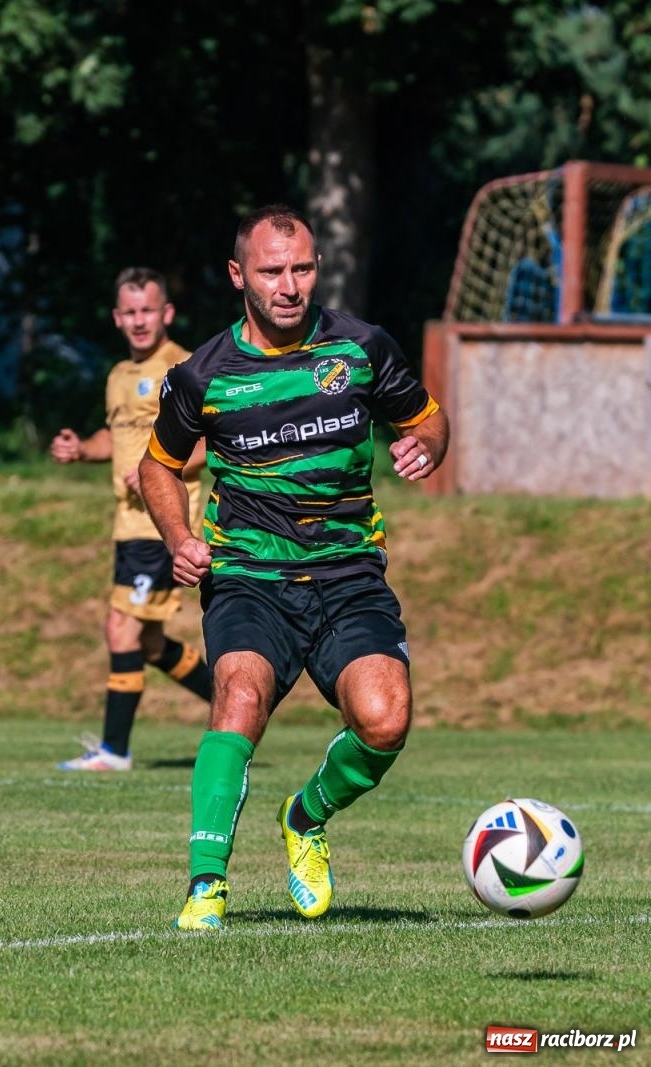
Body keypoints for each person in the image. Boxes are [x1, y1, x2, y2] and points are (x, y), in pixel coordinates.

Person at [137, 205, 448, 931]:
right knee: (239, 696)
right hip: (250, 574)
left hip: (348, 574)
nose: (289, 285)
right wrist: (179, 534)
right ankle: (206, 886)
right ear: (238, 275)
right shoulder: (202, 374)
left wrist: (428, 446)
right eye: (272, 271)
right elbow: (156, 467)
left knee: (386, 720)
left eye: (302, 268)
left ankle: (304, 816)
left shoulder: (363, 348)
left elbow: (428, 417)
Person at [48, 267, 211, 771]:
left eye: (148, 310)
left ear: (166, 313)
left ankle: (114, 753)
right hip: (127, 526)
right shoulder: (118, 375)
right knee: (151, 643)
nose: (140, 321)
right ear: (119, 318)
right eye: (131, 312)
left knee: (120, 630)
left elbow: (211, 439)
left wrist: (162, 468)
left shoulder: (182, 367)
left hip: (163, 525)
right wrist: (82, 450)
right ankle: (236, 707)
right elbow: (115, 440)